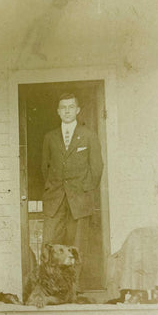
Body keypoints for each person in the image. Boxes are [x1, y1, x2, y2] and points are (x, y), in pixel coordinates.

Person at [41, 93, 103, 283]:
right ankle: (50, 287)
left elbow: (97, 167)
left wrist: (84, 189)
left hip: (79, 200)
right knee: (50, 244)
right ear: (58, 112)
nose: (67, 111)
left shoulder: (89, 136)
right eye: (63, 108)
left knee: (76, 247)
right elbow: (45, 167)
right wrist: (54, 188)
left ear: (77, 110)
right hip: (55, 200)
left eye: (71, 107)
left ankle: (73, 289)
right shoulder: (50, 137)